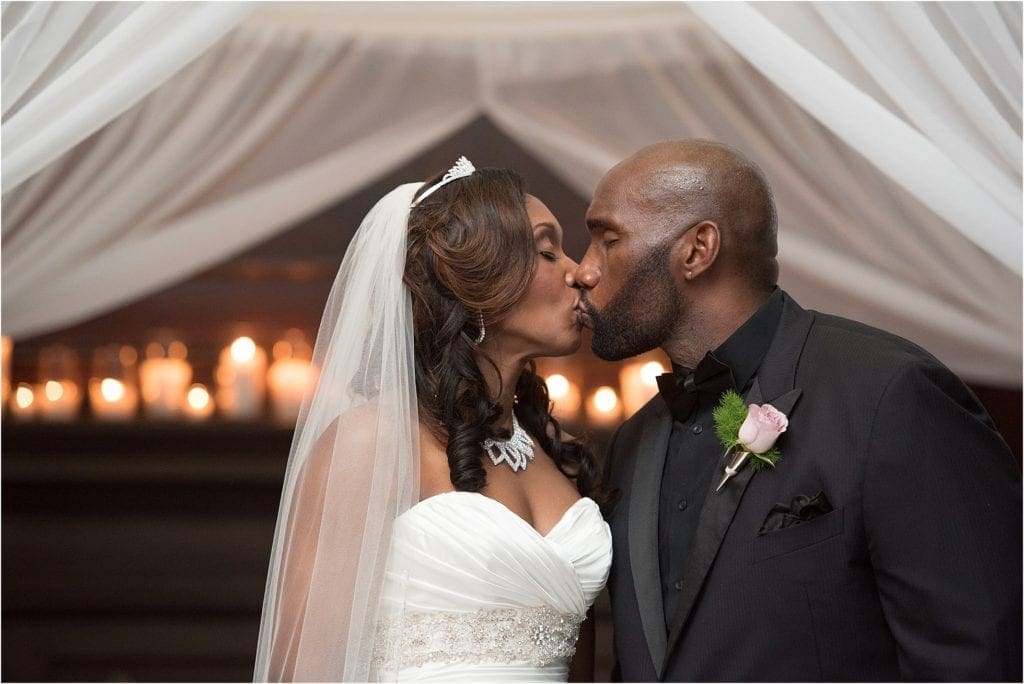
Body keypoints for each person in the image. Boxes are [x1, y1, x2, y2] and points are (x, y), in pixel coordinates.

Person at [574, 140, 1022, 681]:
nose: (585, 271)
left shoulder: (889, 394)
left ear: (697, 250)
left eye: (607, 240)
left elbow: (977, 654)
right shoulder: (632, 440)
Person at [253, 158, 611, 682]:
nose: (579, 271)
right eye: (546, 251)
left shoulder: (555, 450)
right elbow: (306, 666)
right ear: (477, 284)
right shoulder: (370, 440)